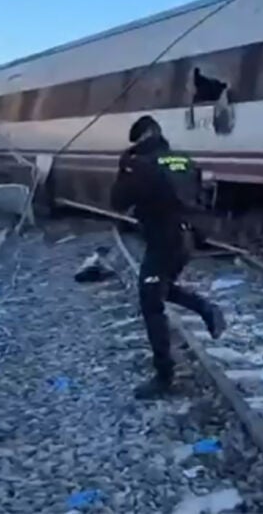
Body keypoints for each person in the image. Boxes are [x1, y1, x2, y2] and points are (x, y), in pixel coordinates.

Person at [111, 115, 227, 399]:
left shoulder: (141, 166)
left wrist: (124, 167)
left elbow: (118, 201)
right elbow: (198, 196)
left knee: (151, 303)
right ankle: (205, 308)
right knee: (159, 288)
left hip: (164, 240)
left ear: (143, 137)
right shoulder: (183, 160)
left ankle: (164, 376)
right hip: (186, 240)